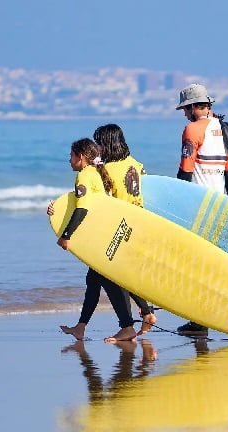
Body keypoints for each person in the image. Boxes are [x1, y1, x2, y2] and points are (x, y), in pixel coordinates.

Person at [48, 138, 138, 342]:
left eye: (71, 156)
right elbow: (75, 203)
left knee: (110, 281)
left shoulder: (84, 176)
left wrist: (66, 236)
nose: (69, 160)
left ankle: (129, 325)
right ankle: (81, 327)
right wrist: (55, 212)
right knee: (94, 281)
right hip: (105, 234)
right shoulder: (94, 173)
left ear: (81, 157)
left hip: (101, 239)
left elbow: (83, 208)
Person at [174, 83, 228, 335]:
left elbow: (185, 171)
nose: (184, 114)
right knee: (218, 266)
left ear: (192, 107)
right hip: (221, 207)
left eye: (185, 109)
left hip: (198, 208)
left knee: (196, 267)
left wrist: (175, 206)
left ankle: (200, 322)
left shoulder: (192, 129)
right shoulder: (224, 130)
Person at [94, 123, 157, 335]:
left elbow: (103, 203)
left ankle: (127, 326)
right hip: (140, 224)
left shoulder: (105, 171)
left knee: (114, 277)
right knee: (119, 275)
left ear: (107, 144)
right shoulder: (138, 165)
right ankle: (146, 314)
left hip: (119, 228)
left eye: (99, 143)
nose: (97, 148)